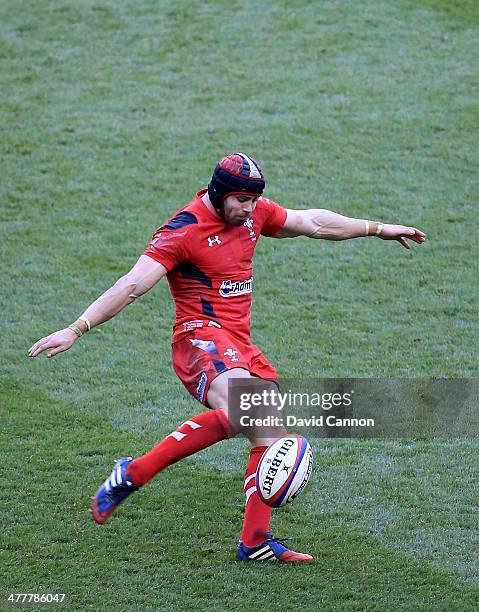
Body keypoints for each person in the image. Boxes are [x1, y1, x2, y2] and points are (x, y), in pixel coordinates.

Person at [28, 153, 426, 563]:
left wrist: (377, 229)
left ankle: (253, 542)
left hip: (238, 344)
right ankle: (132, 474)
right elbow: (131, 285)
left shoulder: (253, 214)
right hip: (198, 340)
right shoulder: (183, 230)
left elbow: (313, 223)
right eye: (242, 200)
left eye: (256, 200)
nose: (251, 209)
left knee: (267, 431)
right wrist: (76, 328)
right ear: (219, 194)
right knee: (249, 407)